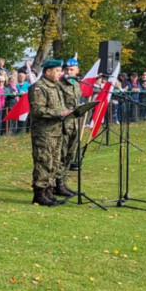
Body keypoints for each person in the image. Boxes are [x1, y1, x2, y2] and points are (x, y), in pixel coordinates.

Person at [28, 59, 72, 207]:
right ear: (48, 71)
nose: (60, 74)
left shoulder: (56, 86)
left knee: (54, 162)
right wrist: (60, 113)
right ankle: (39, 194)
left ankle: (49, 192)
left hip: (57, 131)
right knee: (43, 161)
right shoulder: (39, 87)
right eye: (57, 71)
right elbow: (37, 110)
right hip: (44, 132)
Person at [57, 58, 82, 195]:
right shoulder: (59, 84)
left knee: (70, 155)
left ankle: (64, 182)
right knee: (62, 154)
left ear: (77, 70)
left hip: (75, 124)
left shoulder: (77, 84)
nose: (69, 71)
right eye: (66, 69)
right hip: (64, 124)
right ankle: (58, 184)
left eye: (72, 69)